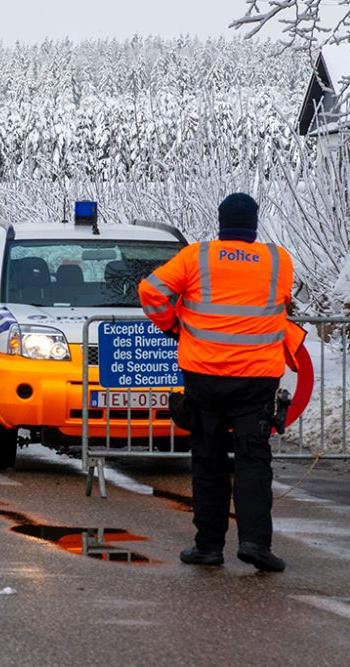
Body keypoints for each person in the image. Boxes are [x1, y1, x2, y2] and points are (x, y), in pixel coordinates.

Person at [138, 192, 305, 572]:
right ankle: (255, 544)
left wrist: (173, 325)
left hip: (206, 376)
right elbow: (278, 304)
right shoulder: (278, 261)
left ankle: (208, 547)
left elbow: (151, 291)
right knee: (253, 460)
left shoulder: (196, 256)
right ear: (254, 223)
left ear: (221, 221)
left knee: (209, 460)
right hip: (257, 377)